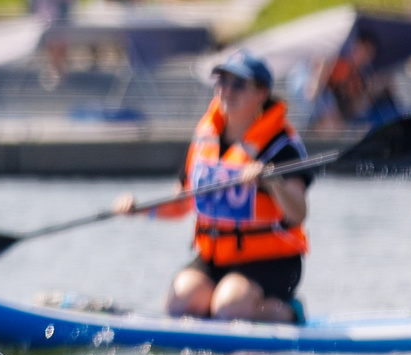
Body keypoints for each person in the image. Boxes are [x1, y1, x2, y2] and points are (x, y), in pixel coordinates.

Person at [115, 50, 311, 323]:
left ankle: (290, 312)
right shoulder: (205, 138)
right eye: (222, 82)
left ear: (261, 93)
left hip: (273, 261)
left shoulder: (282, 145)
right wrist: (138, 209)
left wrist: (271, 179)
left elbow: (299, 212)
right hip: (216, 256)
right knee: (179, 304)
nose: (227, 91)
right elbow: (181, 203)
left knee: (228, 308)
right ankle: (221, 308)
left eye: (238, 84)